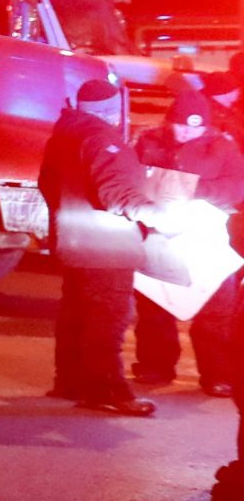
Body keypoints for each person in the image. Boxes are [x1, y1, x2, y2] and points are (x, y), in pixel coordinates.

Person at [40, 77, 159, 416]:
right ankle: (107, 390)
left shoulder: (64, 135)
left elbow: (46, 184)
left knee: (77, 314)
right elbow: (115, 193)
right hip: (107, 246)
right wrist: (157, 214)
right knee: (108, 319)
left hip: (76, 242)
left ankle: (70, 381)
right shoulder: (101, 137)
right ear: (112, 109)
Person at [132, 91, 244, 395]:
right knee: (156, 305)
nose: (187, 133)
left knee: (215, 310)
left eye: (195, 128)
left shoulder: (222, 146)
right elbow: (136, 178)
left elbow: (235, 187)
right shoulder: (150, 141)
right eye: (182, 126)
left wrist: (186, 189)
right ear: (170, 122)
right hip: (161, 236)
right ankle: (155, 367)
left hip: (205, 238)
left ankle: (217, 374)